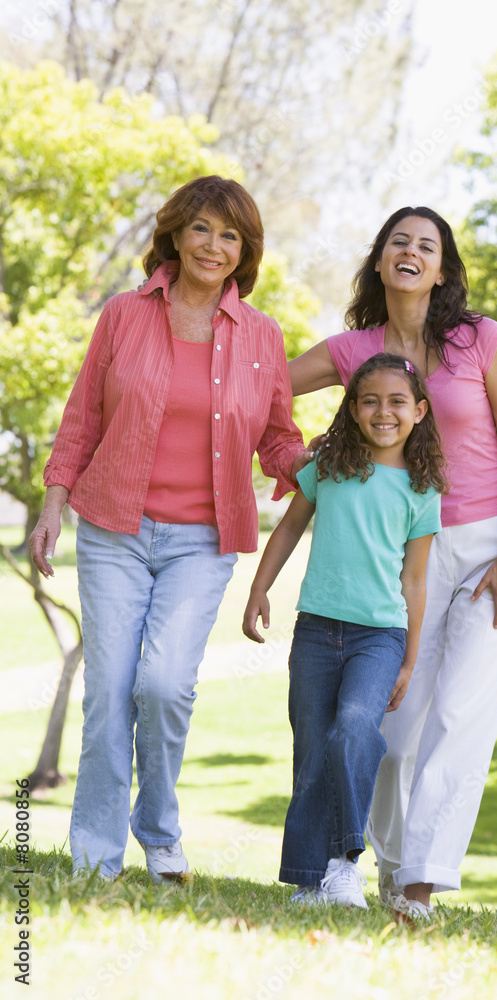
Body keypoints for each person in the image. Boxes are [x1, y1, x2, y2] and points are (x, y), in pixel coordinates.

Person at [29, 175, 307, 883]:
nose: (214, 246)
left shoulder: (261, 337)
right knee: (110, 691)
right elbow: (83, 417)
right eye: (202, 229)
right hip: (114, 529)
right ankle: (96, 860)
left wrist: (312, 468)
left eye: (230, 235)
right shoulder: (124, 315)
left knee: (163, 686)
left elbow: (277, 436)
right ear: (176, 235)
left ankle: (158, 831)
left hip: (201, 541)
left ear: (244, 251)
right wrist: (54, 501)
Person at [289, 206, 497, 919]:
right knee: (392, 729)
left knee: (461, 714)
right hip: (408, 557)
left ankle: (421, 885)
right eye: (398, 240)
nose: (410, 251)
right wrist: (292, 451)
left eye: (425, 246)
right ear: (379, 261)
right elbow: (262, 388)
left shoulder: (479, 340)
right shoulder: (352, 350)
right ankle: (391, 870)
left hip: (492, 546)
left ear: (441, 271)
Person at [242, 353, 446, 907]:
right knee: (311, 746)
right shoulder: (328, 466)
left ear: (420, 411)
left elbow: (416, 580)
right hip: (316, 630)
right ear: (353, 408)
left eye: (397, 401)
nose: (384, 412)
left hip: (378, 636)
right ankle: (310, 880)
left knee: (355, 729)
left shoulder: (423, 491)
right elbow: (286, 531)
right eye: (371, 400)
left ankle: (343, 861)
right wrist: (259, 589)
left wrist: (408, 658)